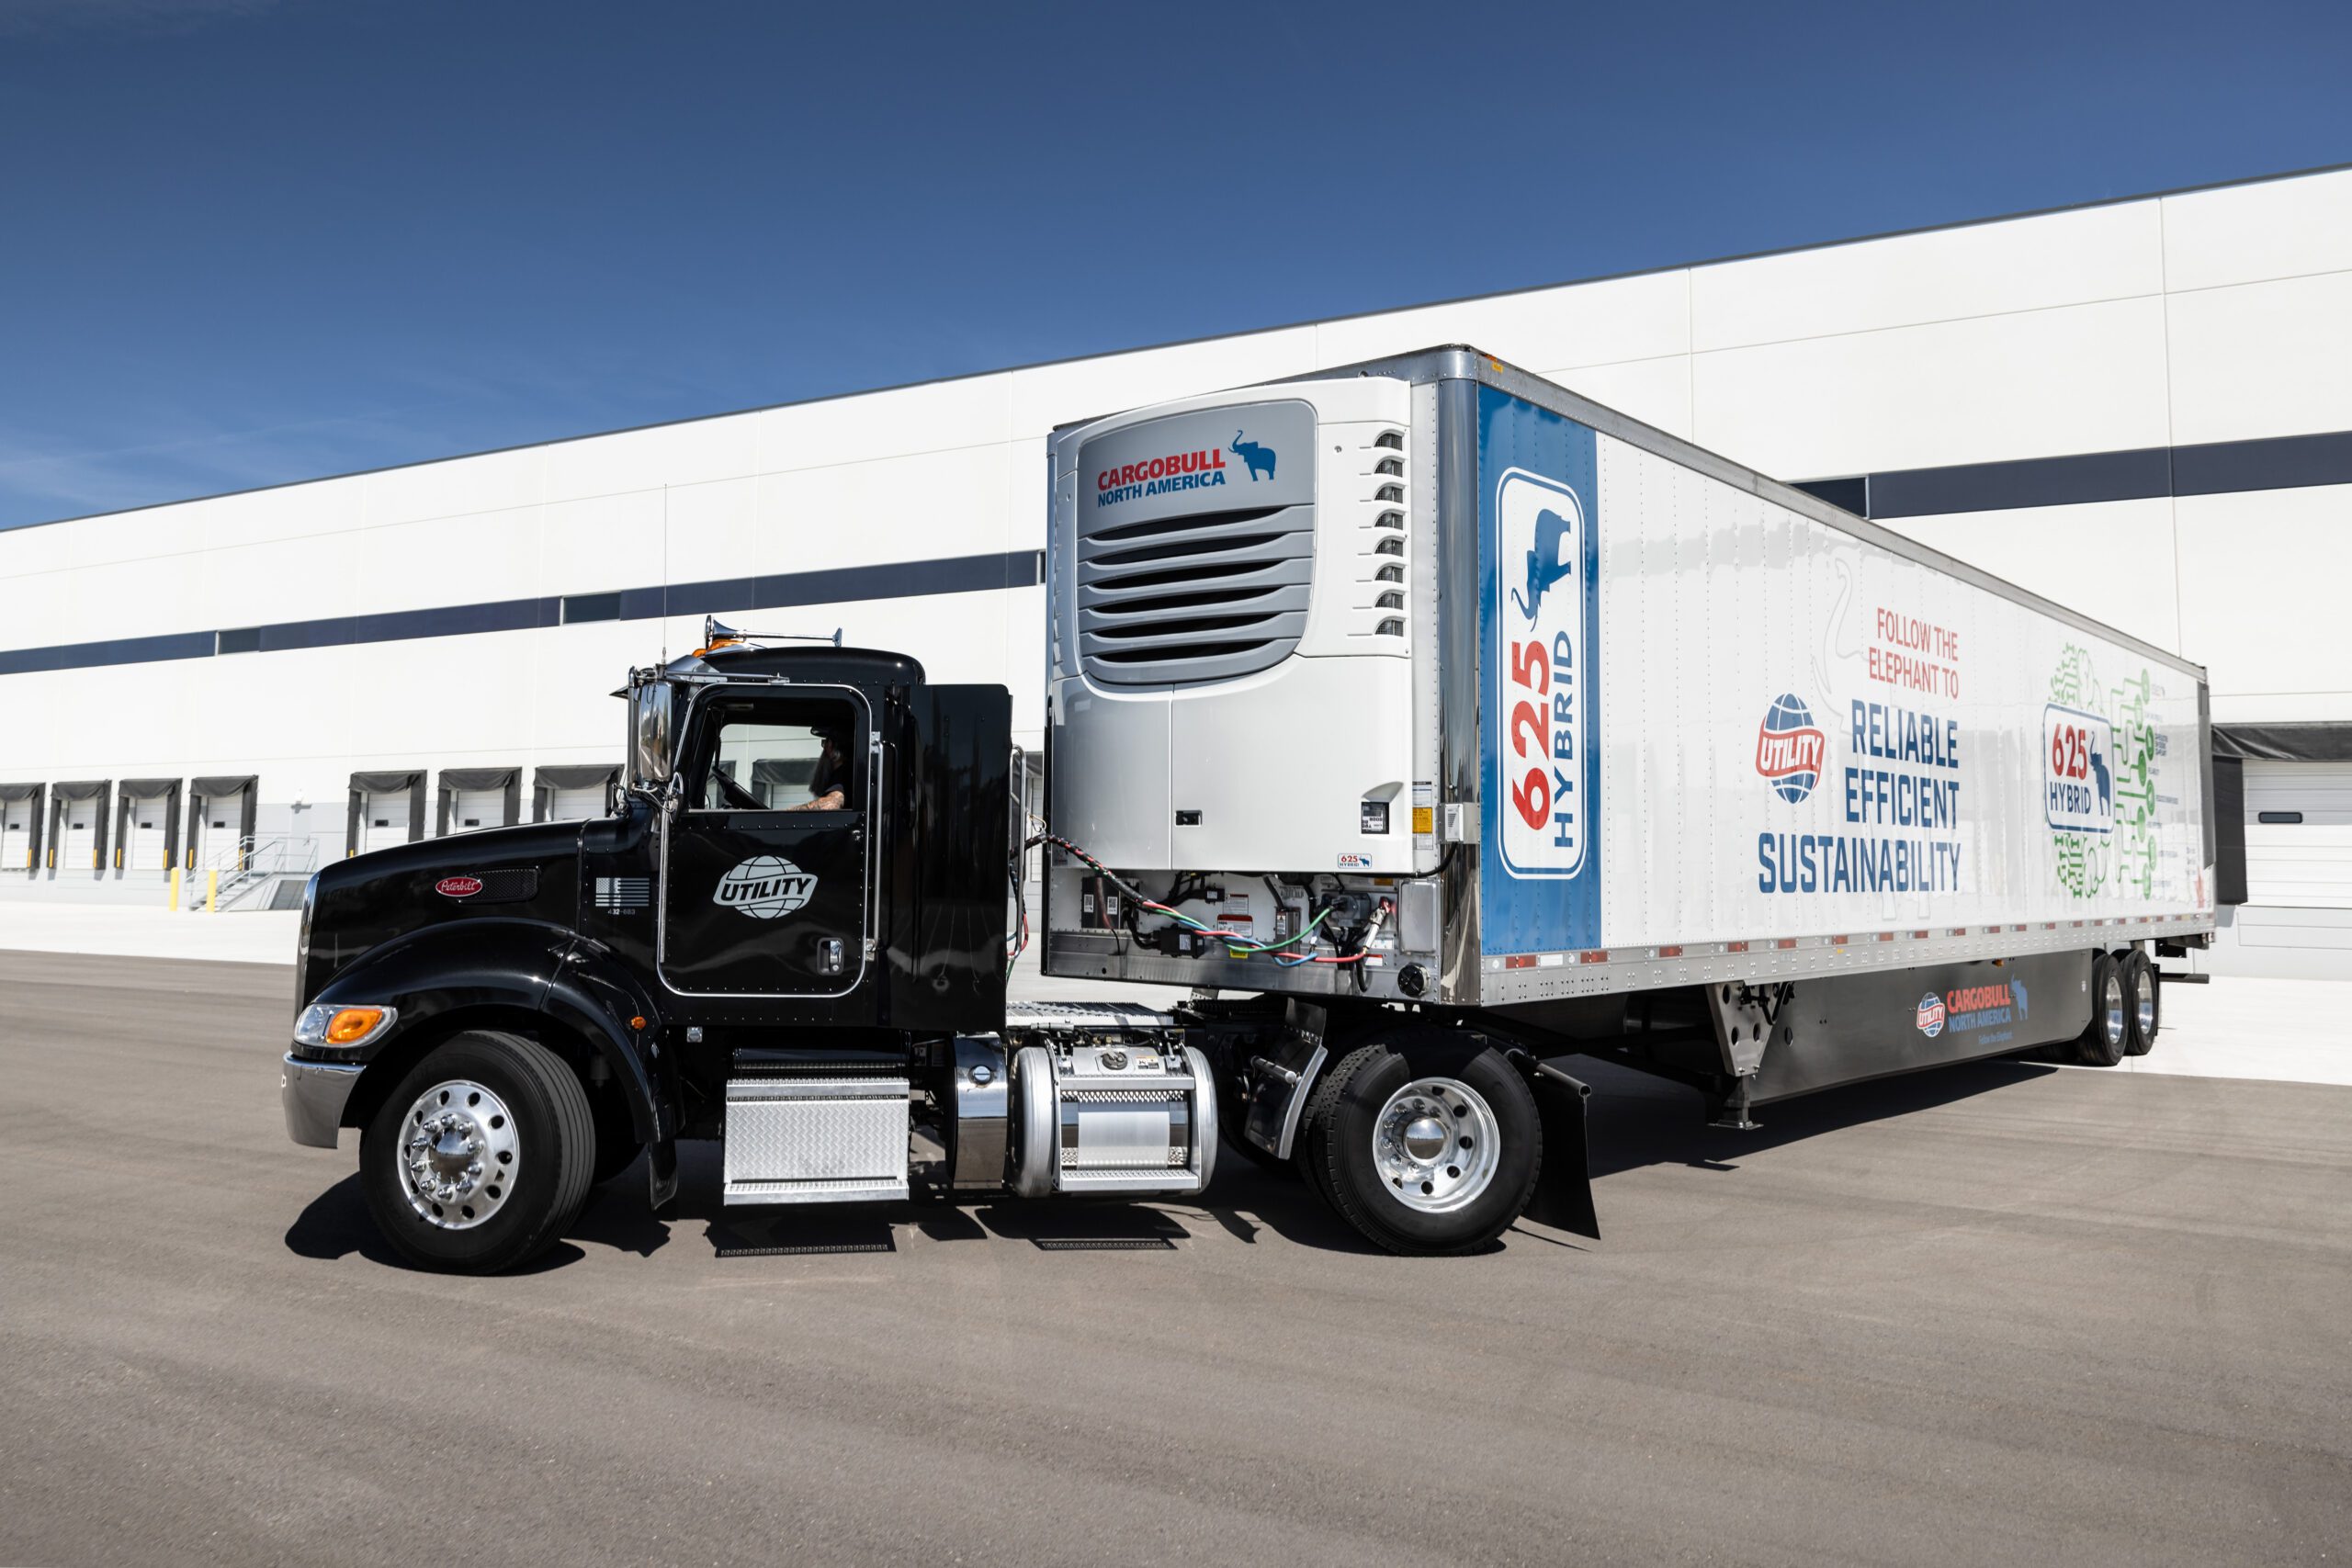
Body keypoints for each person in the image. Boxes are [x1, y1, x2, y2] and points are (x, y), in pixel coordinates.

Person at [787, 723, 848, 811]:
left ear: (829, 746)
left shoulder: (844, 774)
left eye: (824, 743)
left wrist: (788, 812)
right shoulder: (847, 773)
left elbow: (832, 804)